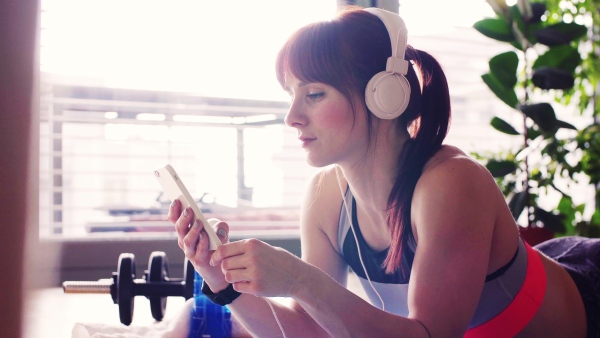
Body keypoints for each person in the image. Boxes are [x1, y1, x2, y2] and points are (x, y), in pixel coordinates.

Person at [168, 5, 599, 337]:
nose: (293, 117)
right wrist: (220, 280)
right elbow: (310, 330)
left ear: (383, 95)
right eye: (291, 95)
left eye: (314, 94)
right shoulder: (325, 196)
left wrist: (299, 279)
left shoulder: (450, 182)